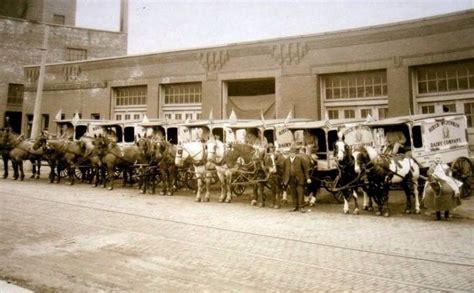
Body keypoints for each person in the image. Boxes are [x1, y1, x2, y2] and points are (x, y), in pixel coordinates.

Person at [423, 154, 462, 220]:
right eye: (436, 158)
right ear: (434, 159)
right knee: (426, 184)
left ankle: (456, 191)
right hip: (435, 178)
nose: (438, 159)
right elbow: (429, 173)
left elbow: (449, 172)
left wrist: (448, 175)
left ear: (441, 159)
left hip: (444, 177)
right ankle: (424, 197)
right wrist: (431, 175)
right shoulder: (432, 166)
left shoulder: (445, 166)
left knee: (451, 181)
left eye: (439, 158)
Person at [283, 146, 312, 213]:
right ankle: (294, 206)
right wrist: (284, 180)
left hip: (299, 179)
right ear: (289, 153)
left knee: (300, 192)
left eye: (293, 153)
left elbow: (305, 170)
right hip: (290, 179)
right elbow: (284, 171)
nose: (292, 154)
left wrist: (308, 178)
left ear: (295, 153)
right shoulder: (286, 161)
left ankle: (301, 207)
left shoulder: (300, 159)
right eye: (291, 153)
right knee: (293, 193)